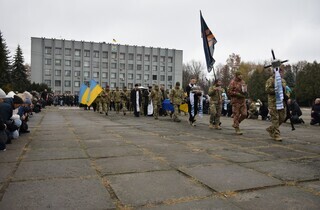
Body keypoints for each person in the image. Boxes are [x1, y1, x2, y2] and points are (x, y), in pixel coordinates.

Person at [265, 67, 287, 141]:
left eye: (282, 72)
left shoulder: (283, 80)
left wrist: (286, 94)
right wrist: (276, 89)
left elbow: (286, 90)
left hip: (281, 102)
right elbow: (267, 90)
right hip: (273, 102)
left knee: (282, 117)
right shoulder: (270, 80)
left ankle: (271, 129)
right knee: (275, 118)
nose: (281, 73)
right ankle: (276, 135)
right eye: (279, 72)